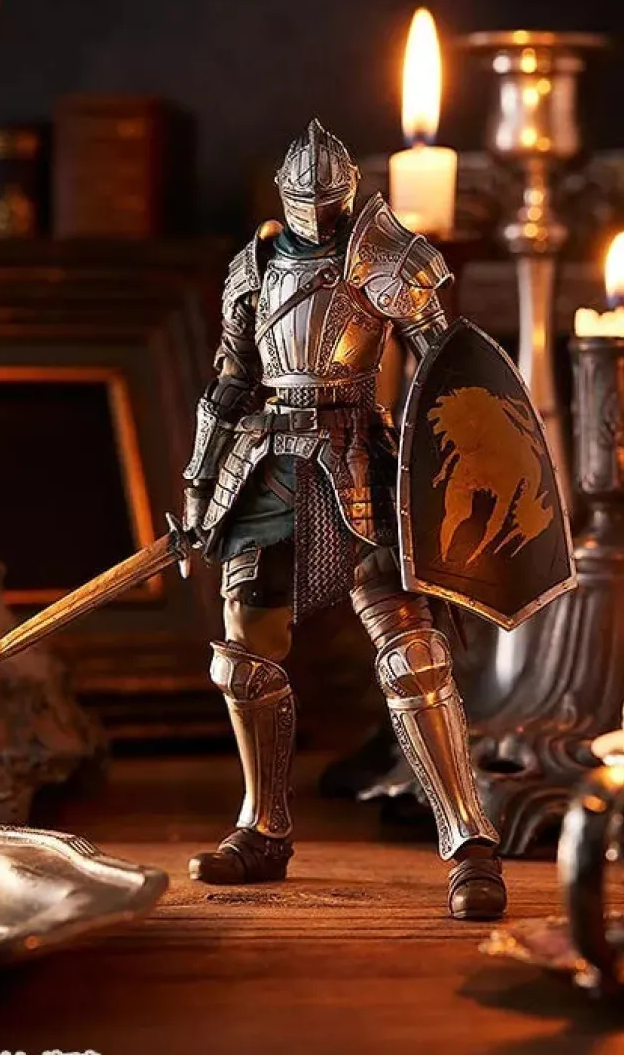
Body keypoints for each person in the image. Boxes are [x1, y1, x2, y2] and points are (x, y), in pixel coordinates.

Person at [182, 118, 506, 920]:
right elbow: (229, 380)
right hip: (264, 465)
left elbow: (447, 369)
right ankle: (262, 828)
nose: (317, 212)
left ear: (348, 194)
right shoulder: (253, 267)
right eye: (307, 200)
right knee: (243, 651)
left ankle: (469, 843)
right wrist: (197, 484)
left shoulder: (389, 257)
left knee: (412, 649)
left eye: (329, 200)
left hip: (356, 457)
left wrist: (459, 469)